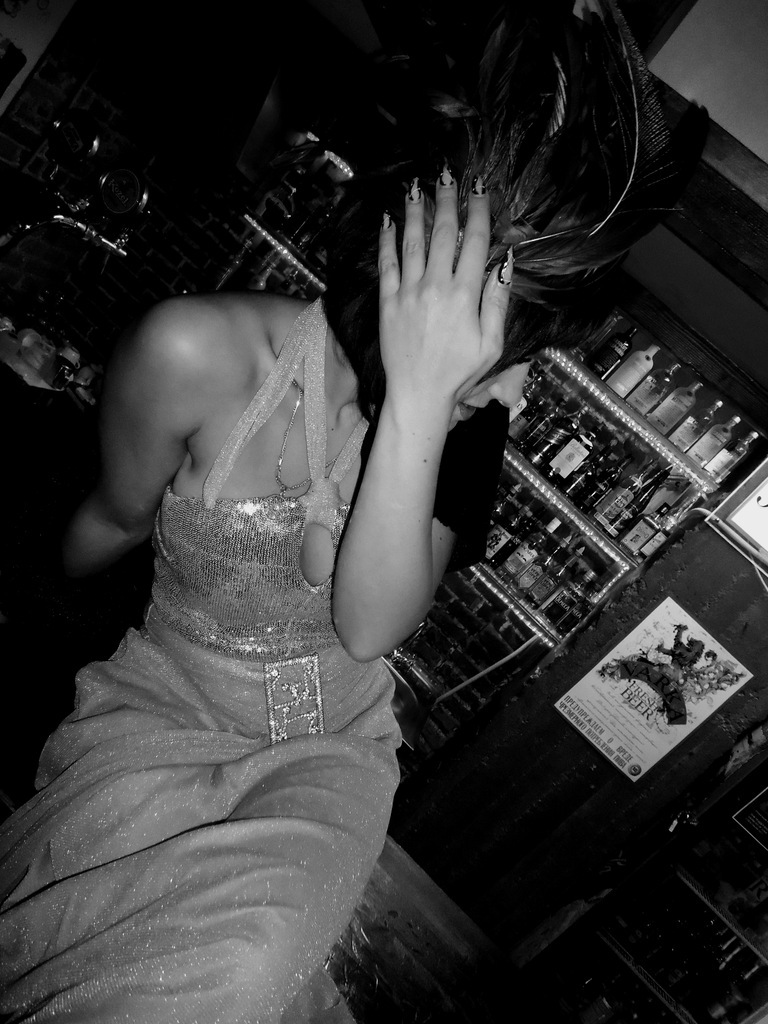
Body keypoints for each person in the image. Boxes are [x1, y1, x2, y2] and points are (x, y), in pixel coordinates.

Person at [0, 2, 705, 1021]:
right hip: (165, 710)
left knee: (242, 967)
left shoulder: (463, 427)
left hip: (330, 754)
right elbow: (109, 521)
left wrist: (426, 398)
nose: (506, 379)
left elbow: (370, 625)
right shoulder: (195, 350)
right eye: (503, 347)